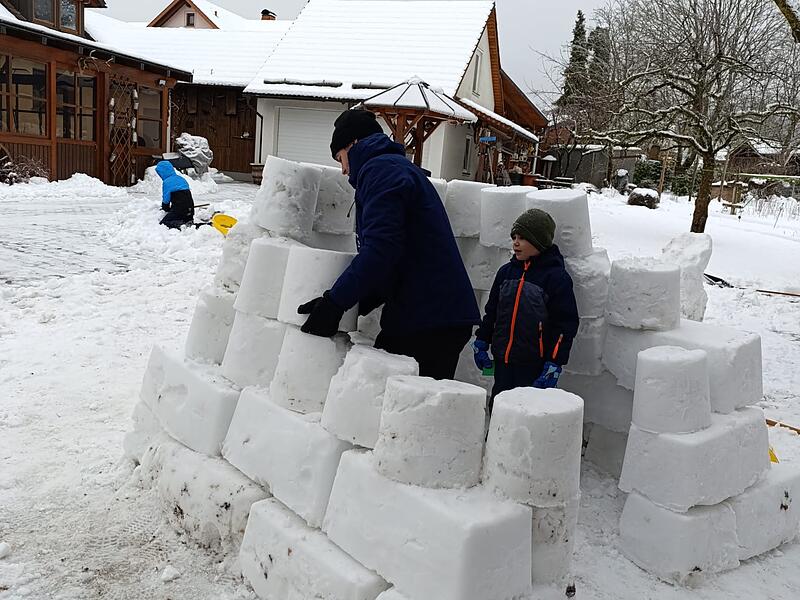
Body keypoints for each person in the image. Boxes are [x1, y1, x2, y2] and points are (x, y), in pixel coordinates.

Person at [297, 108, 480, 380]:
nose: (344, 170)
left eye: (340, 158)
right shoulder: (392, 169)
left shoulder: (381, 171)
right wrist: (363, 298)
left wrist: (335, 302)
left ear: (353, 144)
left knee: (391, 399)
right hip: (431, 312)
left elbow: (381, 249)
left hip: (430, 317)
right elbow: (402, 249)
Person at [472, 208, 579, 408]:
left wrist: (554, 362)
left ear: (539, 241)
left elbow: (565, 324)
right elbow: (492, 311)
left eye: (523, 238)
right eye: (514, 237)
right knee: (500, 405)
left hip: (533, 364)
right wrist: (481, 340)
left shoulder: (555, 278)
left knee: (526, 411)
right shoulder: (506, 273)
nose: (516, 242)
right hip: (503, 358)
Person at [156, 160, 194, 229]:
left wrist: (165, 208)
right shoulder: (181, 178)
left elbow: (166, 199)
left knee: (164, 223)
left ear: (162, 172)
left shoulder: (167, 182)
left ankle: (181, 225)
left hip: (179, 210)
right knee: (186, 219)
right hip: (190, 209)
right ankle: (188, 222)